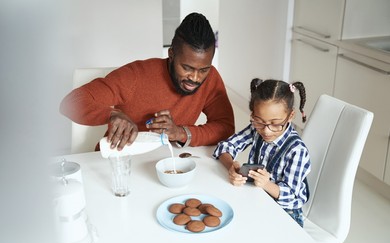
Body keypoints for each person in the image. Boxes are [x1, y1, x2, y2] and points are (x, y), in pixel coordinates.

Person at [60, 13, 234, 151]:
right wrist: (112, 114)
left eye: (203, 69)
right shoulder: (135, 76)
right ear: (171, 54)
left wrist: (180, 133)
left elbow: (225, 127)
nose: (195, 78)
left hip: (168, 163)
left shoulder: (211, 78)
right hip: (118, 162)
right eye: (187, 68)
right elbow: (70, 103)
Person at [212, 78, 311, 227]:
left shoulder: (297, 151)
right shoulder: (256, 129)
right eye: (259, 121)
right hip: (258, 198)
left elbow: (292, 198)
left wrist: (266, 184)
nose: (266, 130)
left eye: (275, 124)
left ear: (290, 116)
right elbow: (225, 146)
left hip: (286, 213)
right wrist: (231, 166)